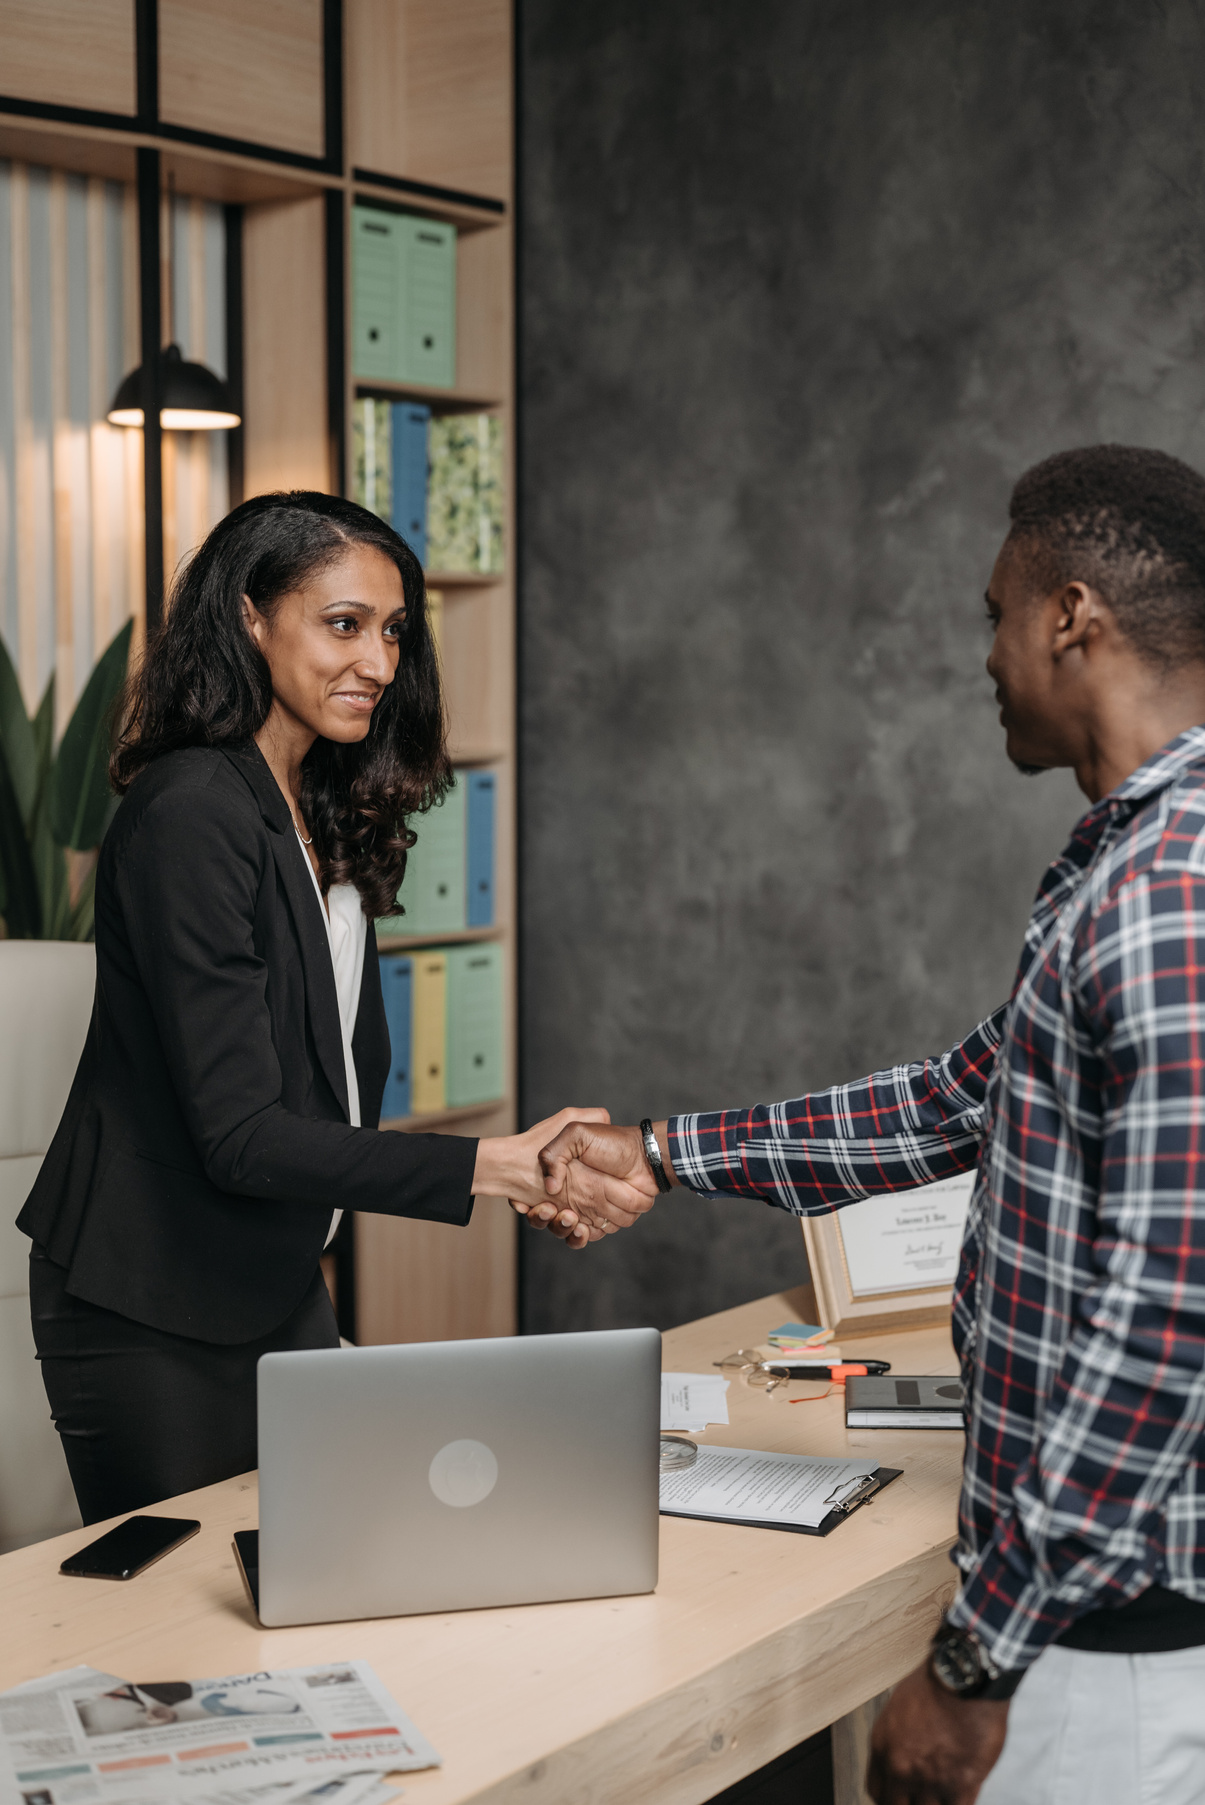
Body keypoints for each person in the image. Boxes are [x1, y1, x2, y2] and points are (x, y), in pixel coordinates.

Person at [532, 446, 1205, 1805]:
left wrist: (973, 1668)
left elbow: (1165, 1328)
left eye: (993, 613)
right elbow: (960, 1093)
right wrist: (662, 1151)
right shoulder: (1127, 864)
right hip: (1079, 1627)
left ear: (1072, 614)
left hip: (1108, 1653)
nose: (985, 651)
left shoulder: (1168, 892)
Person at [17, 491, 607, 1525]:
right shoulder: (192, 806)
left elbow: (323, 1081)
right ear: (251, 617)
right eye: (343, 624)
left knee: (313, 1589)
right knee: (187, 1642)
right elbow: (242, 1134)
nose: (377, 662)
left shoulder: (310, 804)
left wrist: (509, 1170)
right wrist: (496, 1165)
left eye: (390, 632)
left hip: (272, 1276)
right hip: (149, 1298)